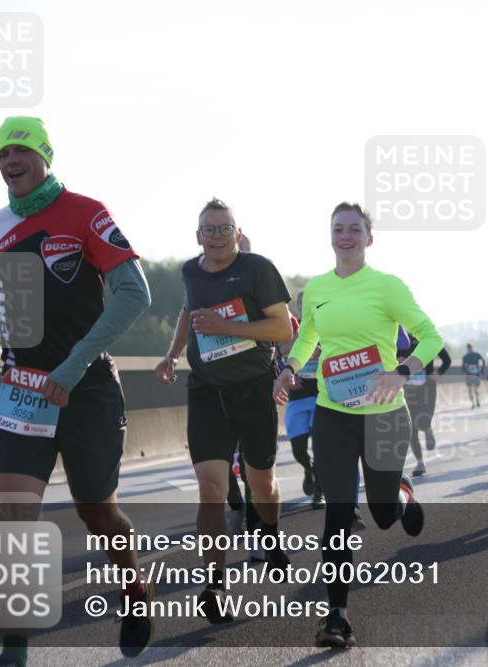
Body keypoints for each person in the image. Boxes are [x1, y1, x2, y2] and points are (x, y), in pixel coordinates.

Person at [0, 117, 153, 664]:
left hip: (86, 386)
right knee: (14, 518)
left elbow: (133, 293)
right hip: (21, 388)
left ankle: (133, 588)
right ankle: (14, 654)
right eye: (2, 153)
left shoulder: (86, 211)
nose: (9, 161)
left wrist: (71, 366)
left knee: (97, 512)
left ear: (45, 155)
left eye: (21, 150)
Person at [273, 202, 441, 648]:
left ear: (369, 238)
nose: (345, 236)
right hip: (334, 415)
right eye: (338, 229)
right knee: (338, 516)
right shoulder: (318, 288)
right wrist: (291, 367)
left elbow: (431, 337)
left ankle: (401, 495)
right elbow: (308, 335)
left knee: (384, 515)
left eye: (354, 229)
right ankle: (337, 618)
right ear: (330, 236)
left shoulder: (387, 287)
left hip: (385, 414)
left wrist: (400, 372)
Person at [155, 197, 293, 624]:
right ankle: (215, 583)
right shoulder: (190, 271)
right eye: (209, 230)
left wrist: (226, 327)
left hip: (252, 389)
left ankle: (268, 532)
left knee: (262, 486)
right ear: (198, 237)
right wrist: (172, 354)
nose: (217, 236)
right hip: (207, 392)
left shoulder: (258, 269)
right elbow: (187, 312)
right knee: (211, 490)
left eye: (224, 228)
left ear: (237, 232)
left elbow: (282, 327)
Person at [278, 291, 325, 508]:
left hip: (321, 397)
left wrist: (321, 350)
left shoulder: (328, 329)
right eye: (301, 303)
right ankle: (310, 468)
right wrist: (287, 372)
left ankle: (319, 493)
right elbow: (276, 356)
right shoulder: (291, 333)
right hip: (297, 397)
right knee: (298, 449)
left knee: (321, 446)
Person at [398, 329, 451, 476]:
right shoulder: (399, 342)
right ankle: (420, 463)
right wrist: (398, 362)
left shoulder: (428, 338)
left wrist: (438, 373)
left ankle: (427, 429)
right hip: (408, 389)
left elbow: (447, 359)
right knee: (410, 429)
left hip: (427, 386)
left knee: (422, 419)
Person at [461, 343, 485, 408]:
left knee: (476, 389)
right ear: (467, 348)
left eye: (470, 348)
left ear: (472, 348)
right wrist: (465, 369)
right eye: (468, 348)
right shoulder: (465, 357)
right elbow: (463, 366)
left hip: (476, 374)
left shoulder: (476, 355)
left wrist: (482, 370)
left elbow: (483, 360)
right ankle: (473, 403)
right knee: (469, 390)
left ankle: (477, 400)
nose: (469, 349)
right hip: (469, 375)